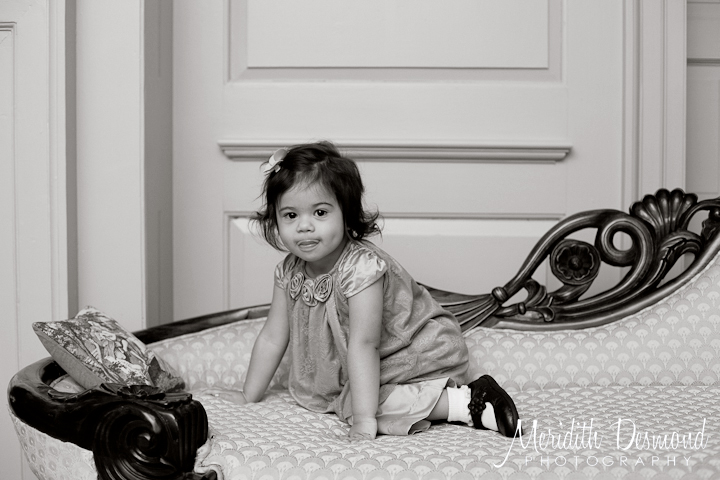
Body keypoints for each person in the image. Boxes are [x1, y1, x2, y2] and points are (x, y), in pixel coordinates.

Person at [207, 141, 520, 441]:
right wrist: (248, 394)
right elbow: (273, 337)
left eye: (320, 213)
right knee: (355, 395)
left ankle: (468, 402)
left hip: (414, 353)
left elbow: (364, 343)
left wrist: (364, 419)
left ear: (346, 213)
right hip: (367, 363)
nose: (304, 226)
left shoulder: (361, 269)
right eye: (291, 215)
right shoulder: (289, 271)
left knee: (360, 402)